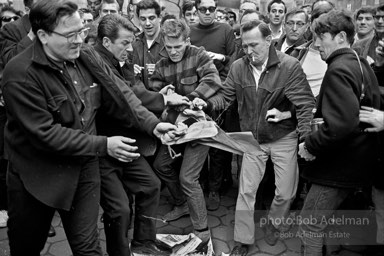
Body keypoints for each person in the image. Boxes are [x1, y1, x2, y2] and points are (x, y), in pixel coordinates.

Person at [1, 1, 177, 255]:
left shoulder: (86, 56)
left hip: (84, 167)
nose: (78, 40)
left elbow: (122, 95)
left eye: (81, 31)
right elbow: (45, 134)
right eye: (70, 35)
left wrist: (154, 125)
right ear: (43, 36)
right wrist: (104, 145)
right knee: (26, 246)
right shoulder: (20, 73)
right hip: (38, 178)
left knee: (87, 247)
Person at [94, 14, 190, 256]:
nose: (130, 48)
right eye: (125, 43)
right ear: (106, 42)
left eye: (131, 42)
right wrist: (162, 101)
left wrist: (159, 104)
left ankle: (143, 243)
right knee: (120, 209)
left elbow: (134, 89)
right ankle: (119, 252)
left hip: (128, 142)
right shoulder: (94, 62)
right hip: (103, 146)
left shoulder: (121, 59)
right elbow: (126, 98)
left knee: (150, 186)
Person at [221, 20, 315, 256]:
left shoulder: (289, 66)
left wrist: (305, 139)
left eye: (254, 45)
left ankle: (274, 224)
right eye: (244, 46)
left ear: (269, 41)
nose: (249, 51)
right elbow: (224, 98)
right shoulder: (238, 67)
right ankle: (242, 240)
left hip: (283, 136)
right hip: (253, 140)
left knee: (285, 193)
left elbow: (305, 104)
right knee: (246, 191)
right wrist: (203, 103)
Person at [298, 10, 381, 256]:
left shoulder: (339, 68)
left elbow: (341, 124)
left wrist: (310, 145)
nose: (317, 44)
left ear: (341, 37)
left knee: (309, 224)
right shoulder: (359, 61)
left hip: (339, 167)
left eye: (321, 37)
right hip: (358, 161)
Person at [150, 18, 224, 249]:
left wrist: (190, 100)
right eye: (169, 47)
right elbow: (153, 93)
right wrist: (162, 94)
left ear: (187, 42)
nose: (172, 52)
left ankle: (202, 231)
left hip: (199, 127)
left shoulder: (200, 55)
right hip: (174, 128)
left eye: (178, 47)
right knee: (161, 165)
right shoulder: (161, 64)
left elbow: (213, 81)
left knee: (188, 178)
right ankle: (182, 203)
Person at [190, 0, 235, 211]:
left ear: (216, 10)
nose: (207, 13)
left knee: (217, 144)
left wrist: (222, 57)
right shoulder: (190, 32)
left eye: (211, 9)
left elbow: (235, 59)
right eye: (203, 9)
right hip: (198, 94)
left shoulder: (225, 29)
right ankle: (202, 183)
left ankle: (215, 188)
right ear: (196, 10)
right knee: (199, 140)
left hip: (220, 94)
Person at [132, 0, 163, 89]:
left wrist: (160, 71)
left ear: (160, 17)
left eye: (151, 18)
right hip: (142, 99)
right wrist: (131, 70)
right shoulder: (133, 43)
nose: (147, 23)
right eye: (143, 19)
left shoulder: (169, 41)